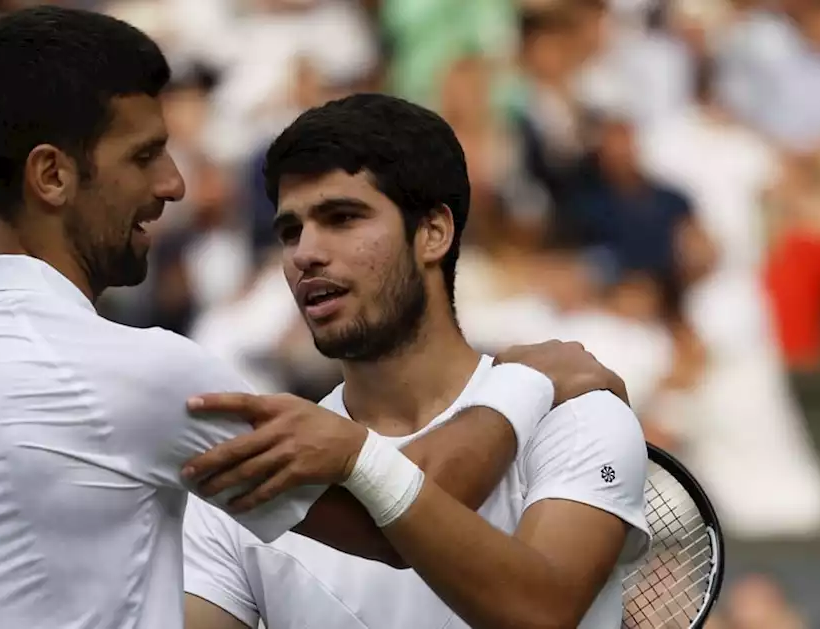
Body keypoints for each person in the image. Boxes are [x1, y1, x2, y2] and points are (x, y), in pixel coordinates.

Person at [0, 7, 629, 629]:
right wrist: (525, 378)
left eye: (343, 218)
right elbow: (399, 514)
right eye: (144, 155)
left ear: (435, 232)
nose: (175, 183)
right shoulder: (139, 379)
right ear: (52, 175)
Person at [176, 95, 649, 629]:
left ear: (433, 233)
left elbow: (538, 613)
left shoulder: (578, 418)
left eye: (342, 218)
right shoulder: (260, 472)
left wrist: (358, 458)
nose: (305, 252)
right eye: (291, 231)